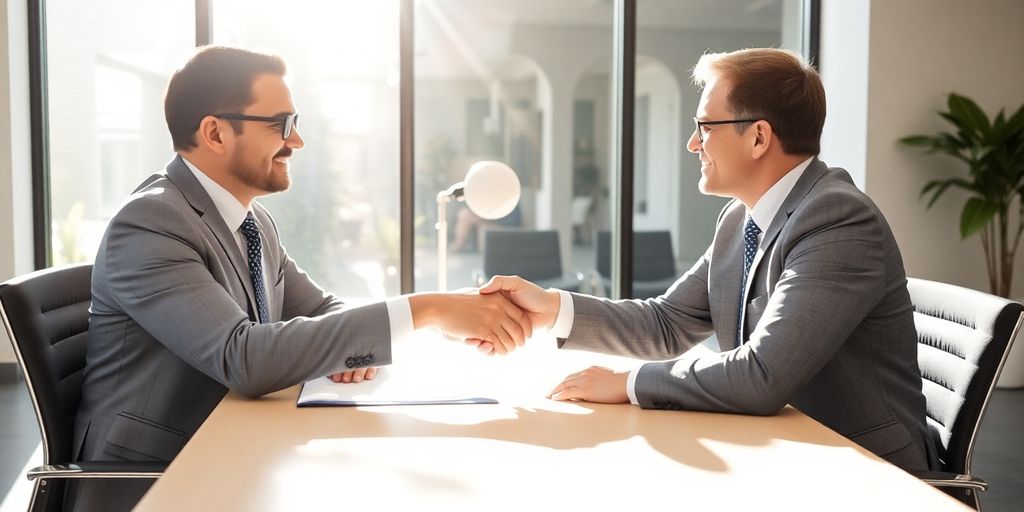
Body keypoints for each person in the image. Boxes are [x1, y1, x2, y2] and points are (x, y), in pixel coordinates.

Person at [69, 46, 530, 511]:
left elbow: (323, 308)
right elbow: (243, 358)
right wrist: (429, 310)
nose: (297, 141)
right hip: (155, 477)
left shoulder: (253, 222)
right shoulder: (151, 223)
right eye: (281, 124)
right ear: (215, 132)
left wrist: (352, 346)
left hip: (233, 446)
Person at [481, 48, 937, 472]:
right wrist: (552, 309)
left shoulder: (838, 220)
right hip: (784, 445)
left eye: (704, 127)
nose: (693, 145)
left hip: (862, 467)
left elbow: (763, 374)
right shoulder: (741, 217)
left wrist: (629, 383)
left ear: (759, 137)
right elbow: (669, 321)